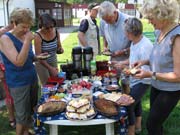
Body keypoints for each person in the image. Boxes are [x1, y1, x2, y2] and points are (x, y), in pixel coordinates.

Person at [133, 0, 180, 135]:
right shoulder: (159, 32)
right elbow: (161, 58)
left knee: (152, 124)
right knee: (156, 124)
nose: (149, 21)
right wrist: (144, 62)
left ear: (162, 15)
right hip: (157, 86)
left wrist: (149, 74)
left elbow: (178, 76)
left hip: (170, 90)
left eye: (151, 18)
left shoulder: (176, 37)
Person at [0, 8, 40, 135]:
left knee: (31, 111)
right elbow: (18, 62)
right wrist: (28, 41)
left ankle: (26, 133)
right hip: (18, 82)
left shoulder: (24, 35)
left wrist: (37, 57)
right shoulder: (5, 39)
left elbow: (27, 57)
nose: (27, 30)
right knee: (22, 116)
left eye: (28, 27)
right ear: (14, 23)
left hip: (32, 78)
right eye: (23, 27)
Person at [114, 17, 153, 135]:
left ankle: (130, 131)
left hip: (144, 81)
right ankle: (138, 126)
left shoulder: (145, 46)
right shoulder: (135, 42)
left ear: (131, 33)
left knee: (129, 104)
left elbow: (144, 71)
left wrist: (125, 69)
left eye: (125, 32)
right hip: (135, 80)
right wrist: (122, 63)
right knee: (136, 101)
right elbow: (133, 60)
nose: (125, 34)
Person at [34, 13, 64, 85]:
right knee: (47, 85)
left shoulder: (56, 32)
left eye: (52, 26)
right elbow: (38, 56)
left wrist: (60, 50)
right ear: (41, 26)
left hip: (53, 60)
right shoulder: (37, 36)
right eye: (47, 28)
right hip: (41, 64)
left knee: (56, 82)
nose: (50, 29)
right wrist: (50, 68)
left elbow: (59, 46)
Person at [0, 24, 16, 128]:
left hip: (16, 68)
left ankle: (21, 117)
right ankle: (11, 118)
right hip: (4, 69)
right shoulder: (2, 32)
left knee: (17, 95)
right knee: (9, 95)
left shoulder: (17, 31)